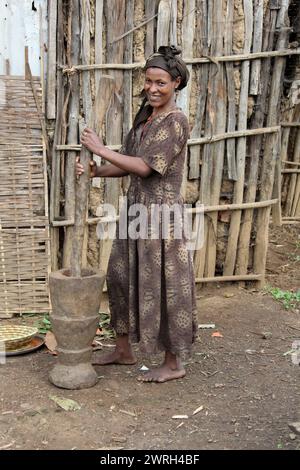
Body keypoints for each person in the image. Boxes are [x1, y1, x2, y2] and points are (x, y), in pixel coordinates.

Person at [77, 45, 198, 383]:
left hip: (162, 217)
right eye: (148, 82)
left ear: (175, 83)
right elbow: (128, 161)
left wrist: (100, 149)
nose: (153, 89)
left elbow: (145, 168)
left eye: (160, 83)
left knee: (164, 286)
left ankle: (173, 363)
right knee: (120, 276)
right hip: (135, 212)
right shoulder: (146, 117)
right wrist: (97, 170)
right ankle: (124, 349)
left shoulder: (176, 122)